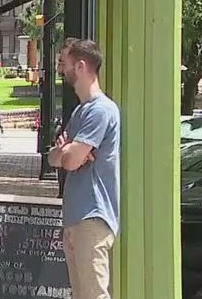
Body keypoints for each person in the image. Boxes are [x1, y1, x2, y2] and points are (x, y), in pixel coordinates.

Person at [50, 38, 120, 299]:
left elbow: (69, 161)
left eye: (64, 63)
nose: (61, 69)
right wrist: (67, 151)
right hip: (76, 218)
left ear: (80, 66)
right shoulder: (82, 111)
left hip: (92, 217)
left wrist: (68, 151)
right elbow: (54, 157)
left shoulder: (100, 110)